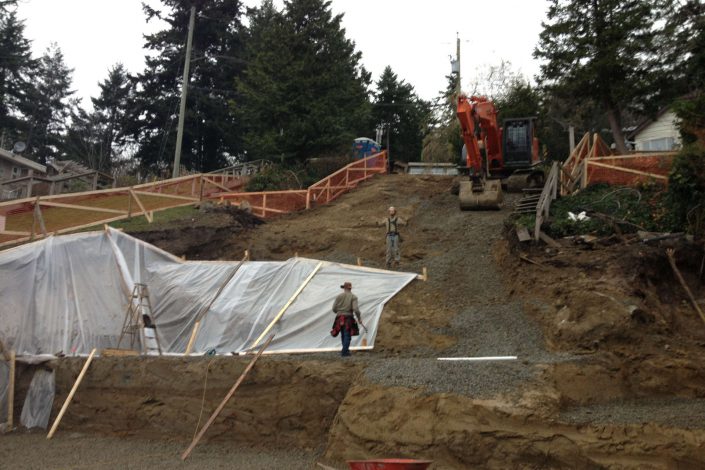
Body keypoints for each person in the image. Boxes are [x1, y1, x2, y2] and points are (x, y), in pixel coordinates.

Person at [330, 281, 363, 357]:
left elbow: (334, 308)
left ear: (344, 288)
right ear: (350, 288)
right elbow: (356, 309)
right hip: (348, 318)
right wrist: (359, 318)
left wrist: (338, 312)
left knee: (343, 335)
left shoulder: (339, 296)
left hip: (339, 318)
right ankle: (345, 352)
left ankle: (345, 350)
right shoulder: (353, 297)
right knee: (347, 335)